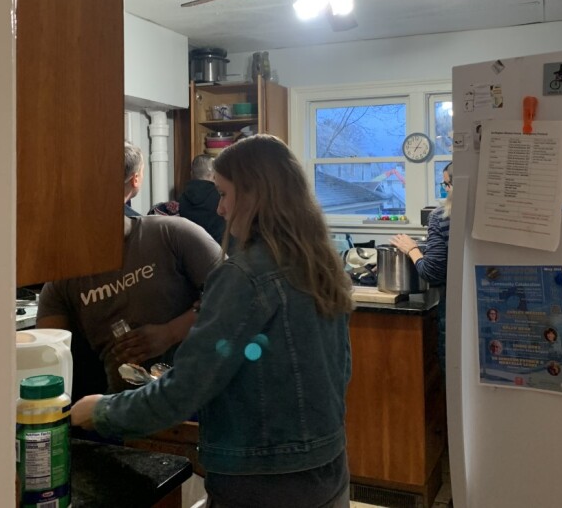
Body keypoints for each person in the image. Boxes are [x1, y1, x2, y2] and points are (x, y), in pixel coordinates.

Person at [71, 135, 354, 508]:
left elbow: (189, 385)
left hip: (265, 480)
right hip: (328, 463)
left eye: (223, 194)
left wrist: (102, 411)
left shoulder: (245, 275)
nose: (219, 209)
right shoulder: (317, 261)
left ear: (255, 194)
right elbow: (341, 369)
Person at [37, 142, 222, 396]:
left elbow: (232, 295)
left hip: (196, 400)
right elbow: (47, 360)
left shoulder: (174, 234)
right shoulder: (61, 279)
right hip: (121, 410)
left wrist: (170, 333)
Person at [390, 161, 452, 365]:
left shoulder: (441, 217)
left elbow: (432, 272)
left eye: (445, 184)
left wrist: (412, 249)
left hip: (456, 308)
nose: (444, 189)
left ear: (452, 185)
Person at [177, 153, 227, 243]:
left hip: (190, 251)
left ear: (192, 174)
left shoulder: (182, 198)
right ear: (213, 175)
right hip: (218, 251)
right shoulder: (220, 197)